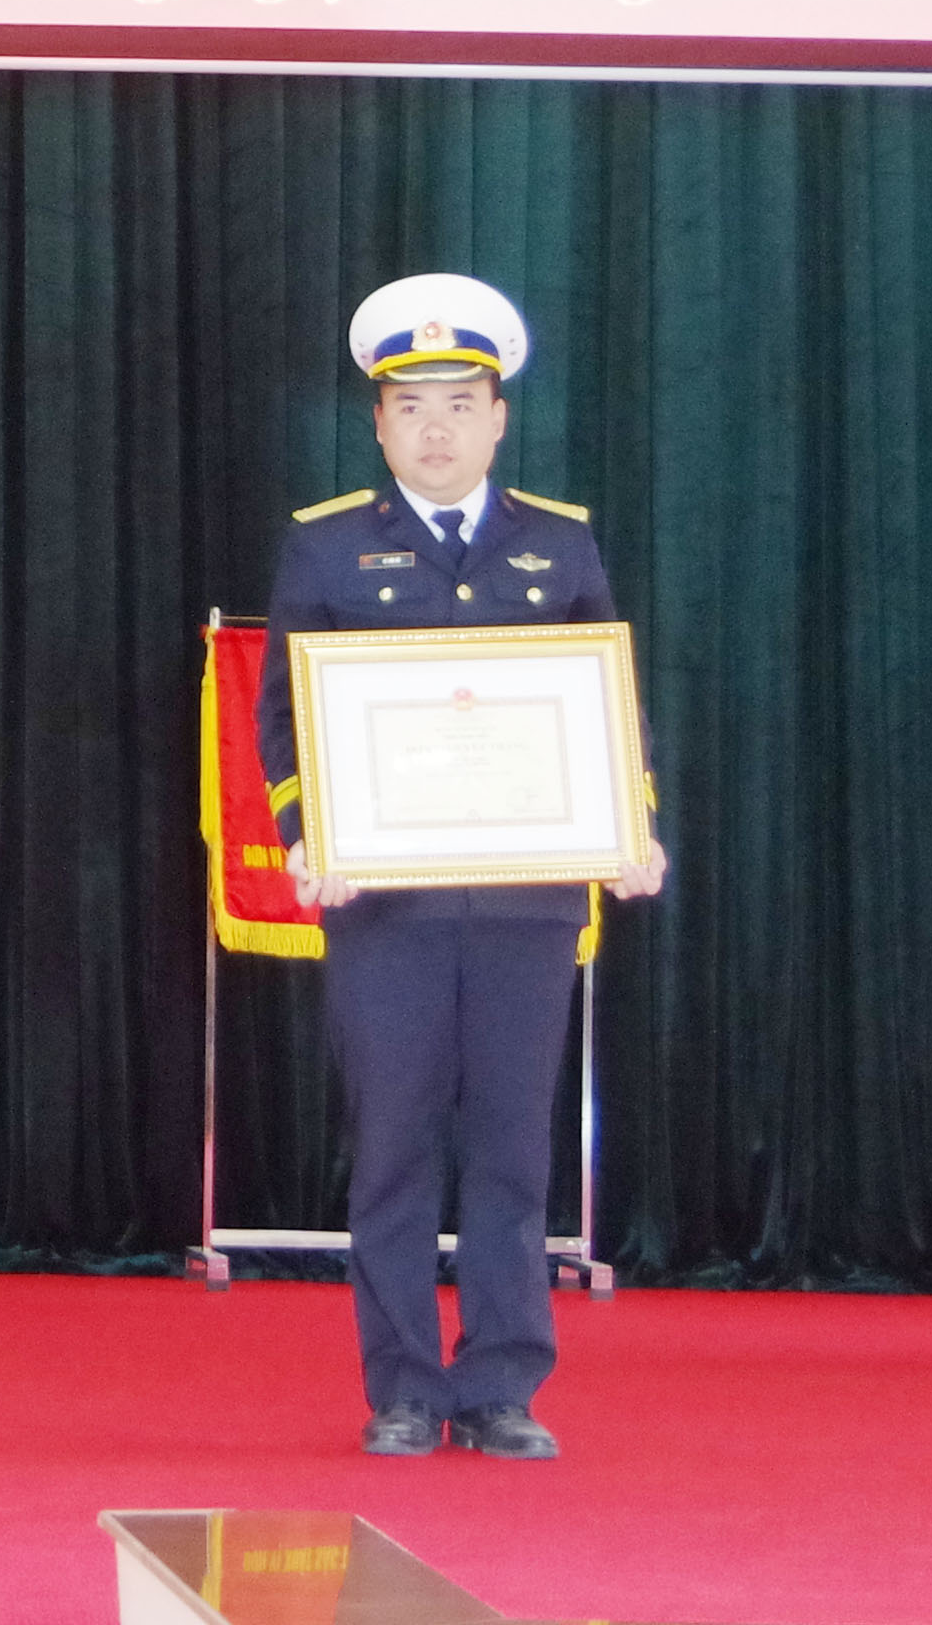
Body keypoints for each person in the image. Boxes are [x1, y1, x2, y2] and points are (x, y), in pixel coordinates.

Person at [262, 272, 668, 1463]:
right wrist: (310, 833)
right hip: (380, 903)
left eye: (457, 403)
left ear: (497, 418)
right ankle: (399, 1386)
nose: (433, 428)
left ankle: (498, 1384)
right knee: (390, 1146)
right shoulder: (324, 545)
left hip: (525, 903)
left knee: (508, 1149)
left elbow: (609, 702)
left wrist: (629, 822)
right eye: (409, 405)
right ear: (376, 422)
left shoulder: (558, 541)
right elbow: (282, 716)